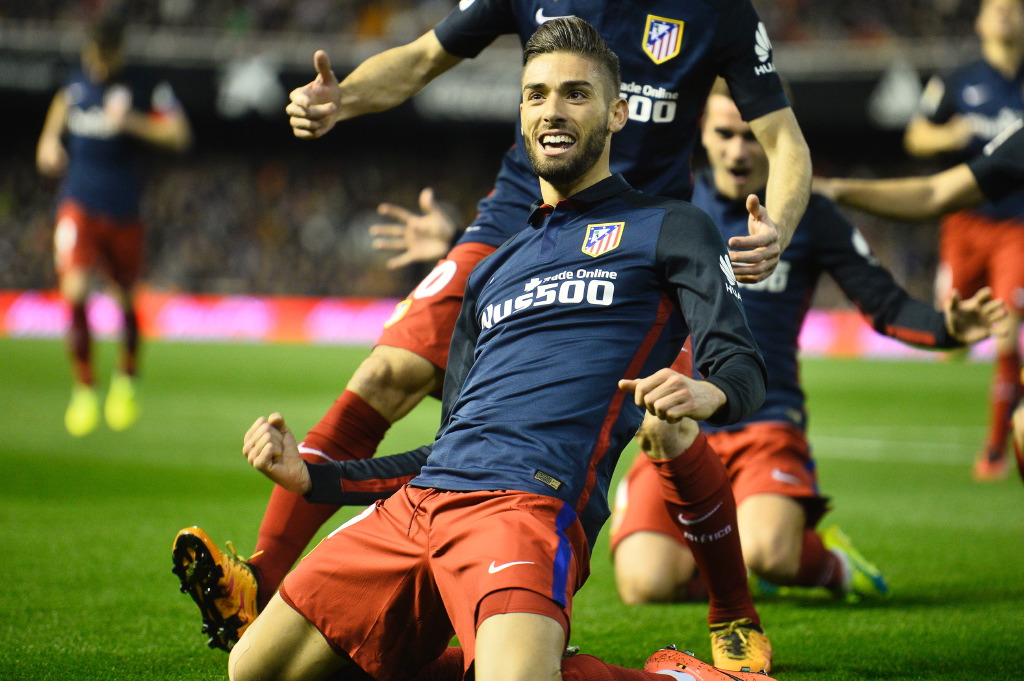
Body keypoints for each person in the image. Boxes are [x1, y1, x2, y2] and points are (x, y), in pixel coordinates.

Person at [173, 0, 810, 663]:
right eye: (535, 93)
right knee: (389, 376)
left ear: (613, 109)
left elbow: (785, 140)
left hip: (638, 239)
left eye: (571, 93)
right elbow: (423, 56)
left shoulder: (718, 13)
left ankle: (732, 613)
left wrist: (779, 230)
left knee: (662, 420)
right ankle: (262, 573)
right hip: (518, 222)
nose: (551, 106)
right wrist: (344, 98)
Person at [608, 81, 1008, 607]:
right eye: (724, 133)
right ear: (700, 134)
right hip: (680, 424)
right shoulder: (667, 207)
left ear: (775, 139)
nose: (738, 149)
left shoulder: (807, 214)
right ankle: (737, 558)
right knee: (646, 584)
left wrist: (949, 328)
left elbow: (886, 307)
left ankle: (828, 561)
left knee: (770, 551)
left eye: (752, 136)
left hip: (767, 421)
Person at [816, 117, 1024, 482]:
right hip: (975, 227)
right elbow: (935, 193)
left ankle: (993, 446)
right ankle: (996, 446)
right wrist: (836, 189)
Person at [35, 15, 192, 436]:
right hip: (79, 205)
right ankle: (84, 387)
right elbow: (62, 103)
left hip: (123, 210)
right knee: (75, 291)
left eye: (105, 58)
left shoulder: (145, 86)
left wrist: (133, 123)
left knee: (125, 299)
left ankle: (127, 377)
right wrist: (49, 139)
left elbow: (180, 135)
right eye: (93, 57)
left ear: (119, 53)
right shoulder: (77, 83)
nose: (98, 66)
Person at [901, 0, 1024, 480]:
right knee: (952, 326)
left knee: (1006, 325)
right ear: (979, 21)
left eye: (1015, 8)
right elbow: (915, 136)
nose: (1006, 15)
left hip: (1016, 224)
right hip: (965, 222)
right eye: (997, 8)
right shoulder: (958, 80)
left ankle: (996, 444)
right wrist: (947, 135)